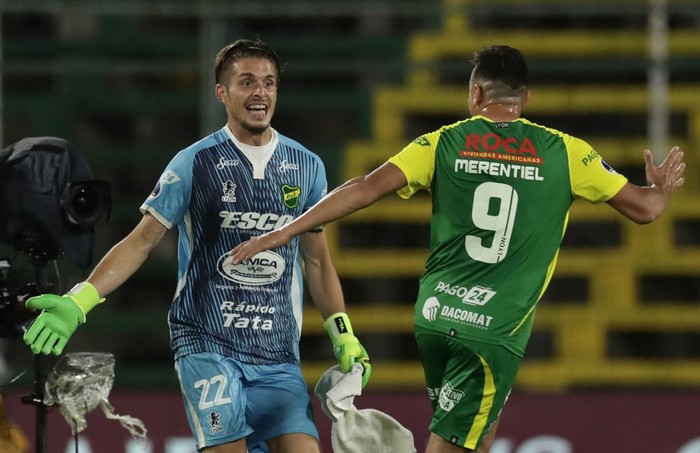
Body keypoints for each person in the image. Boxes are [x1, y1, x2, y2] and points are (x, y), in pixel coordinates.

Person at [228, 45, 687, 453]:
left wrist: (286, 231)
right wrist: (661, 189)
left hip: (435, 317)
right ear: (525, 100)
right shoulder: (566, 152)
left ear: (475, 95)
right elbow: (644, 210)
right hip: (493, 332)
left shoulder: (443, 141)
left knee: (477, 436)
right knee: (457, 443)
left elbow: (364, 187)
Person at [22, 38, 371, 453]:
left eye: (269, 83)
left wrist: (343, 334)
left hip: (278, 355)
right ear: (222, 93)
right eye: (247, 82)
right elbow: (141, 241)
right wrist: (80, 301)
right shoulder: (193, 163)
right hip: (207, 346)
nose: (260, 92)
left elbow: (316, 262)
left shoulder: (307, 166)